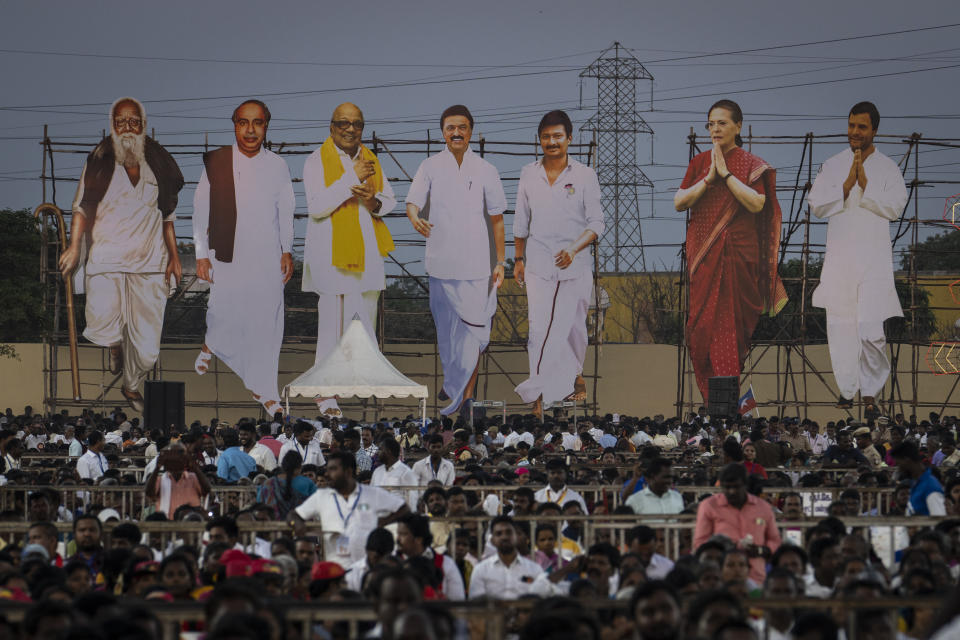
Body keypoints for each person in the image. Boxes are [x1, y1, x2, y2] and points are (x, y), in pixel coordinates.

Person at [59, 97, 185, 412]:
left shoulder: (158, 164)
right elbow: (80, 209)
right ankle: (114, 345)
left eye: (134, 121)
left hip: (150, 263)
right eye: (120, 121)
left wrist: (175, 257)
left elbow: (167, 217)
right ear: (113, 126)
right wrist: (75, 247)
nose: (127, 127)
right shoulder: (99, 161)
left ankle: (131, 387)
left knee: (146, 352)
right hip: (106, 260)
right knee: (101, 322)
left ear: (142, 126)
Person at [673, 99, 786, 399]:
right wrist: (709, 179)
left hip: (738, 258)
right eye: (711, 123)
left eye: (722, 122)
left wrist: (726, 176)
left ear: (738, 125)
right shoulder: (699, 163)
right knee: (699, 335)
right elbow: (679, 202)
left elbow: (757, 203)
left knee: (728, 333)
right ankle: (718, 406)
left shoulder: (751, 164)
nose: (715, 128)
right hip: (704, 257)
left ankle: (724, 410)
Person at [192, 99, 295, 416]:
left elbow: (286, 210)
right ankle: (214, 343)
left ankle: (265, 390)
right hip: (226, 252)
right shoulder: (218, 162)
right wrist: (200, 255)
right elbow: (200, 210)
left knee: (269, 323)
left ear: (266, 125)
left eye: (258, 122)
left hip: (266, 254)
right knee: (224, 312)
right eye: (243, 122)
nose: (250, 130)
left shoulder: (277, 165)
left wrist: (287, 250)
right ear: (234, 124)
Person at [406, 104, 508, 416]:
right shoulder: (430, 166)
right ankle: (453, 381)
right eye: (450, 128)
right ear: (443, 132)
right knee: (448, 335)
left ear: (471, 131)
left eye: (462, 127)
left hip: (477, 267)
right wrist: (415, 219)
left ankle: (466, 397)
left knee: (474, 333)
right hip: (440, 266)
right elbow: (412, 203)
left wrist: (500, 262)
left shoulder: (486, 170)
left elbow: (497, 220)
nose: (456, 133)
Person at [808, 102, 908, 414]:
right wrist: (847, 185)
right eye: (851, 125)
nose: (854, 132)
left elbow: (895, 207)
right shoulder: (833, 164)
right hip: (840, 260)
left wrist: (865, 183)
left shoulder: (889, 168)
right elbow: (816, 204)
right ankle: (848, 388)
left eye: (861, 127)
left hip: (874, 260)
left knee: (870, 329)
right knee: (840, 326)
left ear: (874, 130)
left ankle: (871, 391)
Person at [302, 103, 397, 418]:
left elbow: (389, 200)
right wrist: (349, 178)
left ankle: (348, 384)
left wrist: (373, 200)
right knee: (333, 322)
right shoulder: (317, 161)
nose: (350, 129)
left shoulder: (371, 160)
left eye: (357, 123)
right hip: (332, 257)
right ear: (331, 127)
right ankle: (324, 391)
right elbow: (316, 206)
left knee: (362, 323)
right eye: (343, 123)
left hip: (367, 256)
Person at [512, 110, 604, 416]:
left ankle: (574, 374)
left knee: (573, 328)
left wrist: (574, 249)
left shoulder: (584, 175)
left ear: (569, 139)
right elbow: (521, 220)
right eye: (546, 137)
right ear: (539, 140)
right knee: (539, 330)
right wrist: (518, 258)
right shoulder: (528, 173)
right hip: (538, 263)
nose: (552, 142)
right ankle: (539, 395)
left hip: (575, 266)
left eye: (557, 136)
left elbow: (596, 223)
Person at [292, 451, 410, 565]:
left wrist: (382, 522)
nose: (326, 474)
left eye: (332, 469)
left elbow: (404, 508)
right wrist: (297, 523)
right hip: (336, 568)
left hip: (366, 567)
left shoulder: (372, 493)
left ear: (348, 472)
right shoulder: (322, 496)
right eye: (327, 470)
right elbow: (294, 515)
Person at [693, 463, 781, 584]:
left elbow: (775, 540)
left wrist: (761, 550)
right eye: (727, 487)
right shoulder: (709, 506)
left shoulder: (763, 507)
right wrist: (724, 549)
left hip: (756, 576)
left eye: (736, 487)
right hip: (721, 578)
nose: (732, 491)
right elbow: (700, 542)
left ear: (745, 485)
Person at [468, 515, 552, 599]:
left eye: (509, 532)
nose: (504, 537)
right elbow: (476, 602)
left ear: (516, 536)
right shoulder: (481, 569)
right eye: (499, 534)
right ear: (492, 540)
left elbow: (542, 599)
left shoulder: (534, 569)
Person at [395, 514, 465, 600]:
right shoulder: (393, 563)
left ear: (418, 539)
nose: (398, 539)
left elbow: (458, 601)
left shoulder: (446, 564)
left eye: (403, 534)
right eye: (398, 534)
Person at [144, 442, 210, 519]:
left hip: (191, 524)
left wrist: (193, 465)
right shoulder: (160, 480)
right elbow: (149, 492)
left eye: (179, 456)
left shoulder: (193, 478)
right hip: (167, 524)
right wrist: (157, 467)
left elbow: (207, 490)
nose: (175, 460)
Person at [891, 440, 946, 516]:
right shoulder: (916, 483)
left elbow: (939, 520)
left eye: (899, 464)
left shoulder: (930, 486)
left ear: (907, 460)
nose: (899, 469)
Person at [371, 437, 419, 510]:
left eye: (380, 449)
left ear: (388, 452)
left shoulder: (406, 473)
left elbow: (412, 503)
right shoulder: (377, 471)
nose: (377, 452)